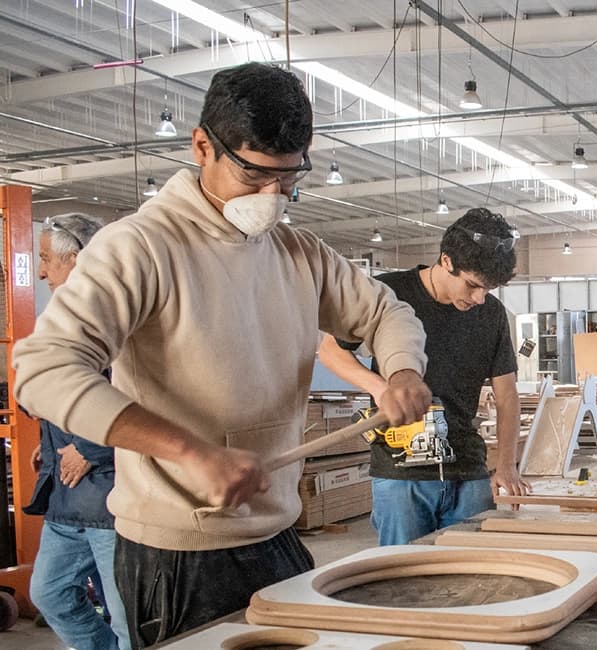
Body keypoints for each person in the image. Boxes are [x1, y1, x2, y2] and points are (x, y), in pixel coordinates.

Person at [13, 62, 431, 648]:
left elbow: (388, 312)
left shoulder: (298, 252)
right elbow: (43, 371)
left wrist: (402, 370)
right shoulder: (139, 248)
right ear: (203, 146)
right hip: (176, 551)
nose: (272, 198)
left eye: (287, 182)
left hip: (277, 535)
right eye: (255, 176)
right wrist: (189, 451)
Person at [318, 208, 530, 545]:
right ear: (446, 261)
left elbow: (506, 395)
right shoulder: (389, 293)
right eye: (473, 285)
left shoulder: (491, 314)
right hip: (403, 472)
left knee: (473, 579)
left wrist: (507, 465)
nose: (479, 298)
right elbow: (329, 350)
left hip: (468, 468)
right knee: (402, 578)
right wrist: (381, 388)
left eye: (487, 290)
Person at [22, 214, 129, 650]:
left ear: (77, 258)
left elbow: (137, 395)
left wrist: (91, 450)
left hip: (108, 499)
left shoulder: (116, 314)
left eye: (47, 259)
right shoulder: (65, 319)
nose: (42, 270)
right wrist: (49, 447)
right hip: (66, 498)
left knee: (126, 614)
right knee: (49, 593)